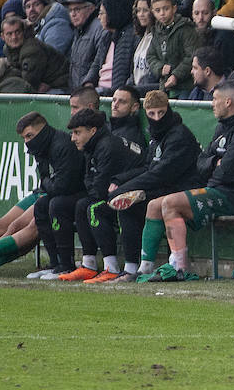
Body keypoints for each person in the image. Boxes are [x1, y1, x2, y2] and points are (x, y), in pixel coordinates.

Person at [139, 79, 234, 282]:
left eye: (215, 99)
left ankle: (179, 267)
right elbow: (200, 164)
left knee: (170, 203)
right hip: (217, 190)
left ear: (228, 102)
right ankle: (144, 268)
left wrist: (215, 166)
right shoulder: (222, 128)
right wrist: (214, 163)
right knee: (154, 205)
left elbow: (227, 172)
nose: (212, 103)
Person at [107, 90, 202, 281]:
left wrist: (127, 188)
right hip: (163, 187)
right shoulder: (156, 136)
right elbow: (149, 167)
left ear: (168, 109)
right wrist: (120, 180)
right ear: (145, 112)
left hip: (183, 189)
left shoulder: (179, 135)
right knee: (128, 206)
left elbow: (162, 173)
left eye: (161, 112)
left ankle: (154, 266)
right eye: (152, 114)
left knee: (139, 203)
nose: (157, 118)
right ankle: (132, 266)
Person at [60, 108, 147, 282]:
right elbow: (90, 180)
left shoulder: (107, 146)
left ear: (92, 131)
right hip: (117, 192)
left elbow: (99, 190)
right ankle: (89, 264)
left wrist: (96, 186)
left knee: (94, 208)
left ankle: (111, 268)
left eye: (77, 133)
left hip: (138, 196)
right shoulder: (94, 145)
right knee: (81, 205)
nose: (73, 138)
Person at [19, 112, 86, 280]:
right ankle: (55, 263)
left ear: (42, 130)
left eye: (29, 136)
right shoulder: (40, 147)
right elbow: (48, 180)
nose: (27, 142)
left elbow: (62, 186)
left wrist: (45, 184)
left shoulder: (62, 145)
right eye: (24, 138)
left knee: (57, 205)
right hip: (63, 192)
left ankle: (67, 264)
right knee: (41, 206)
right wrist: (47, 184)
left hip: (82, 192)